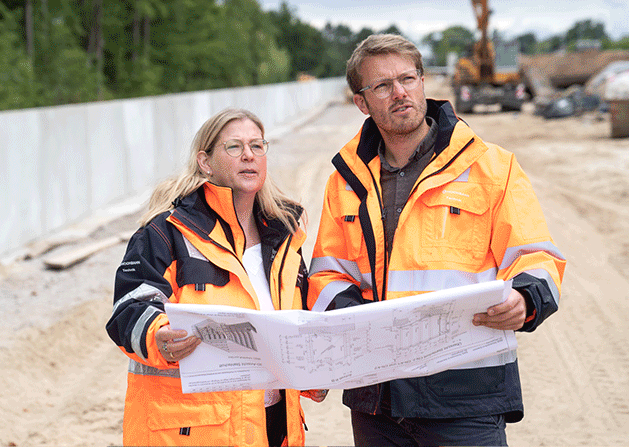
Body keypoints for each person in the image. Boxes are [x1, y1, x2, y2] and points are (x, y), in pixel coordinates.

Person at [306, 34, 565, 446]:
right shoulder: (346, 181)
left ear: (424, 82)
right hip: (377, 398)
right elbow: (327, 274)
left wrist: (525, 298)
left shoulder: (490, 166)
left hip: (465, 394)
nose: (400, 92)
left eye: (407, 78)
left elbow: (536, 256)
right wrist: (363, 323)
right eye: (382, 86)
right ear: (362, 102)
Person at [107, 108, 308, 446]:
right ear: (205, 161)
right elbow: (129, 309)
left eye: (258, 146)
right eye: (234, 147)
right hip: (197, 430)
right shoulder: (165, 232)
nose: (249, 155)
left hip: (273, 423)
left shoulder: (284, 237)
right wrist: (159, 336)